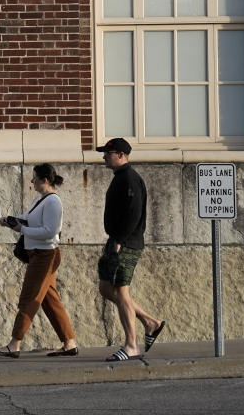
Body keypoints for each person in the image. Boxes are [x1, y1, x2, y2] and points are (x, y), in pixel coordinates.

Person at [0, 163, 78, 359]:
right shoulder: (40, 199)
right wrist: (12, 220)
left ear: (45, 180)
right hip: (36, 255)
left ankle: (14, 344)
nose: (32, 181)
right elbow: (28, 219)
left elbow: (50, 232)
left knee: (29, 298)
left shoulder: (53, 202)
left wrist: (21, 230)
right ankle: (69, 342)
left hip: (45, 256)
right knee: (49, 300)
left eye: (35, 178)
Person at [96, 138, 166, 362]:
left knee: (121, 291)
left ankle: (131, 346)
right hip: (116, 241)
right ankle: (150, 322)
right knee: (106, 289)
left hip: (125, 243)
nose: (104, 156)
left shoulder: (129, 179)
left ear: (121, 155)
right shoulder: (120, 178)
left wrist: (119, 239)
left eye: (109, 153)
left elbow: (134, 214)